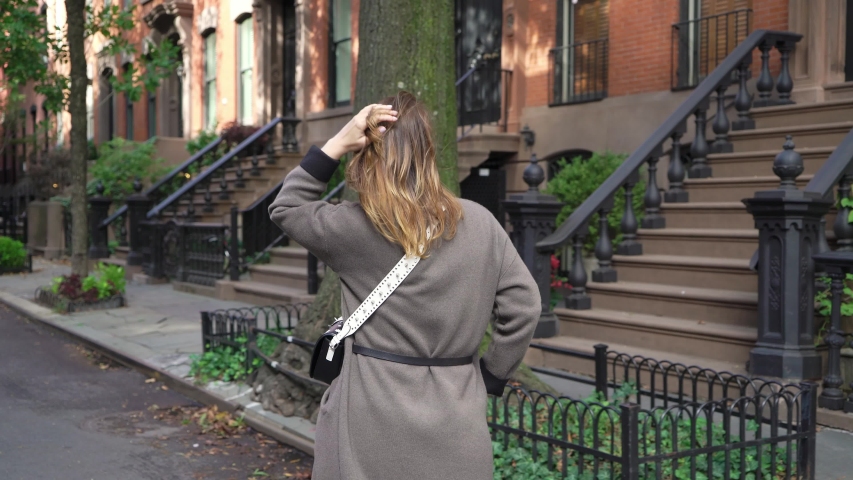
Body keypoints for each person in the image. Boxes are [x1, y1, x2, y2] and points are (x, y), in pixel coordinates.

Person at [269, 91, 540, 480]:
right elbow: (525, 307)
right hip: (456, 416)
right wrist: (492, 376)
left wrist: (338, 142)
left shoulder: (353, 227)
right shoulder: (481, 224)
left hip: (368, 420)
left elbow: (287, 207)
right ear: (428, 151)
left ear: (367, 156)